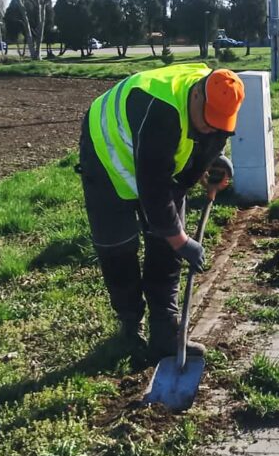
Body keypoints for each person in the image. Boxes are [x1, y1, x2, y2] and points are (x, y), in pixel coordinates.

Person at [78, 64, 245, 361]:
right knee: (118, 246)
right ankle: (131, 326)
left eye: (219, 125)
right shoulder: (161, 111)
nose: (211, 129)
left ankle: (166, 333)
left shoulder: (219, 101)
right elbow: (154, 190)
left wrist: (212, 161)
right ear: (196, 95)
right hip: (106, 154)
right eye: (208, 122)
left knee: (166, 243)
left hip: (154, 158)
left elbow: (209, 142)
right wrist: (182, 241)